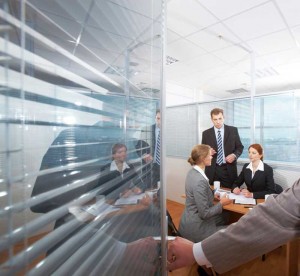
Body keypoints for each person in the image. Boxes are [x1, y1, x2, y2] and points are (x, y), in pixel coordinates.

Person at [167, 178, 300, 274]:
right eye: (249, 152)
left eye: (254, 152)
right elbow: (236, 181)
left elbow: (276, 210)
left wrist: (196, 252)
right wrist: (236, 187)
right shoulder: (246, 169)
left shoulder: (267, 170)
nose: (251, 155)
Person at [178, 144, 232, 243]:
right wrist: (222, 203)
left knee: (227, 215)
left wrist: (211, 194)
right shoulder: (200, 181)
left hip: (189, 220)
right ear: (203, 159)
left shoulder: (192, 172)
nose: (211, 157)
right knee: (233, 229)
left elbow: (199, 192)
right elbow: (204, 214)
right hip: (196, 228)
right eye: (209, 155)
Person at [201, 108, 244, 188]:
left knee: (230, 195)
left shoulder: (233, 130)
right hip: (212, 169)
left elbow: (240, 147)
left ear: (223, 117)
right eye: (215, 119)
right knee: (212, 194)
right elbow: (202, 151)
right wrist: (207, 152)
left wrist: (234, 155)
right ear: (211, 120)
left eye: (220, 118)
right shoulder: (206, 134)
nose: (218, 122)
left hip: (228, 169)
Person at [135, 109, 161, 189]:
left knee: (161, 190)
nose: (159, 121)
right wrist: (144, 154)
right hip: (150, 164)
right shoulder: (146, 129)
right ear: (155, 118)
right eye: (158, 118)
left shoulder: (169, 131)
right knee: (149, 188)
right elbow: (139, 146)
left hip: (163, 165)